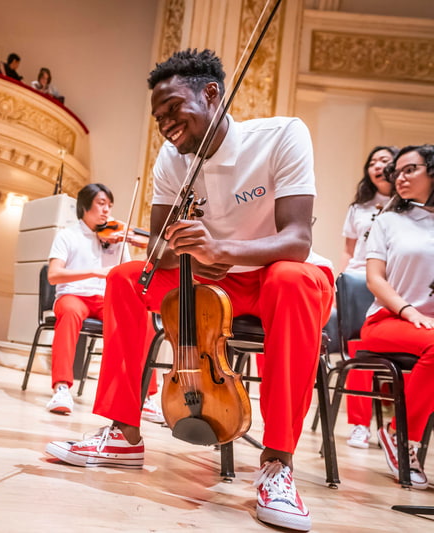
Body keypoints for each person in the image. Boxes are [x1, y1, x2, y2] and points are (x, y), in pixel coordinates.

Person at [45, 49, 333, 532]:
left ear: (211, 94)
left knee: (294, 278)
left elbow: (298, 240)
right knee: (124, 279)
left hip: (270, 277)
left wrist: (222, 249)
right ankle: (122, 432)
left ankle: (278, 463)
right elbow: (157, 250)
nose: (165, 125)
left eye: (173, 109)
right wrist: (187, 250)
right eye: (158, 117)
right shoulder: (172, 159)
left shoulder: (283, 135)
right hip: (205, 275)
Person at [45, 183, 162, 420]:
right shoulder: (67, 235)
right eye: (101, 204)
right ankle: (61, 389)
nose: (107, 210)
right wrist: (94, 271)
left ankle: (145, 396)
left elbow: (128, 272)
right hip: (74, 296)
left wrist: (135, 245)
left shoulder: (115, 237)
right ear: (84, 206)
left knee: (146, 320)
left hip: (105, 300)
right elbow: (54, 275)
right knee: (68, 311)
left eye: (109, 205)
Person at [361, 144, 434, 489]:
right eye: (397, 172)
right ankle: (400, 435)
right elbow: (374, 279)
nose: (399, 177)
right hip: (387, 321)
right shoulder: (388, 220)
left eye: (410, 170)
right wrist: (408, 310)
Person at [337, 146, 398, 449]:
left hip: (395, 284)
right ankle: (359, 424)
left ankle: (398, 428)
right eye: (372, 162)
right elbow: (349, 251)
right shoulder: (359, 207)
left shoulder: (409, 207)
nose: (377, 166)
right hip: (360, 281)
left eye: (384, 161)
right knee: (357, 348)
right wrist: (344, 281)